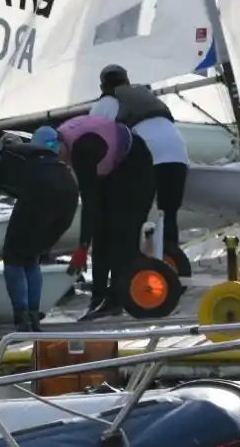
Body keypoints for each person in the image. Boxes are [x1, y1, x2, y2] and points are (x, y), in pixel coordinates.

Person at [47, 110, 155, 321]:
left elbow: (89, 203)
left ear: (61, 143)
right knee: (100, 233)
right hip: (112, 166)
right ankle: (97, 299)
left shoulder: (82, 150)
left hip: (136, 165)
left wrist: (81, 247)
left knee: (121, 235)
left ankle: (115, 300)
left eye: (58, 153)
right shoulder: (61, 141)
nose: (60, 160)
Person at [0, 132, 79, 330]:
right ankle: (34, 317)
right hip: (70, 189)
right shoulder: (38, 155)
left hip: (42, 189)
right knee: (31, 256)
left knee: (13, 256)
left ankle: (21, 319)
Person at [87, 64, 189, 261]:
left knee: (133, 217)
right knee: (168, 215)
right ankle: (171, 265)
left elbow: (93, 139)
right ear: (127, 80)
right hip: (177, 153)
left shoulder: (105, 103)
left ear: (102, 86)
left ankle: (131, 266)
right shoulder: (146, 95)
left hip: (149, 156)